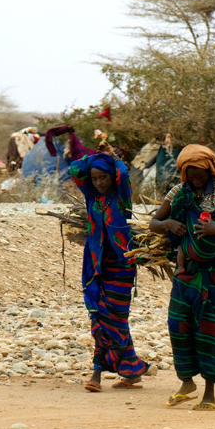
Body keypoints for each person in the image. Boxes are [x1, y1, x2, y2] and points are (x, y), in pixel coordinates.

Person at [149, 144, 215, 411]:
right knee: (178, 323)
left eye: (201, 174)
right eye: (191, 173)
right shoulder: (178, 192)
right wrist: (168, 225)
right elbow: (154, 223)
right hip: (187, 272)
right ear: (184, 173)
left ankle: (209, 393)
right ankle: (187, 381)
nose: (196, 179)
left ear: (209, 171)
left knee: (211, 329)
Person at [69, 152, 148, 393]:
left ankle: (96, 372)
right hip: (95, 266)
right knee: (100, 316)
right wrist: (94, 157)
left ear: (112, 178)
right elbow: (75, 169)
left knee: (112, 318)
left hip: (122, 267)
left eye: (103, 177)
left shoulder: (122, 197)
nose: (98, 183)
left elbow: (123, 173)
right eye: (94, 178)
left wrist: (114, 160)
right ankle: (131, 369)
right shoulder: (92, 196)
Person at [175, 211, 215, 276]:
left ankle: (181, 267)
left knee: (181, 248)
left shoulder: (191, 213)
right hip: (203, 242)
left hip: (196, 240)